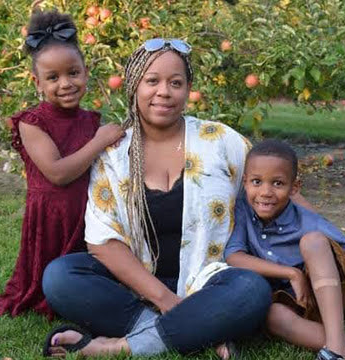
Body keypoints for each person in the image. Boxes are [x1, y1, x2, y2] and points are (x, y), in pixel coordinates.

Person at [40, 38, 316, 358]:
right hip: (136, 283)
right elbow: (103, 243)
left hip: (210, 279)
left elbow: (275, 191)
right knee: (60, 277)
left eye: (176, 83)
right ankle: (200, 328)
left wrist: (330, 241)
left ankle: (123, 346)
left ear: (188, 89)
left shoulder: (219, 141)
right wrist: (166, 301)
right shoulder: (114, 153)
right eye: (152, 81)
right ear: (134, 86)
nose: (164, 92)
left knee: (251, 289)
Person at [224, 139, 345, 360]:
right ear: (245, 183)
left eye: (277, 183)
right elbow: (234, 256)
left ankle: (335, 348)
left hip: (330, 294)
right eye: (257, 182)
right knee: (272, 315)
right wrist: (291, 273)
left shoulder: (309, 222)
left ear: (294, 187)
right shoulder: (242, 211)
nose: (266, 192)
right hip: (297, 302)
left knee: (313, 242)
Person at [0, 10, 125, 319]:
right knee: (50, 274)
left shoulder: (89, 120)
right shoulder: (31, 122)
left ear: (86, 72)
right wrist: (100, 141)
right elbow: (57, 173)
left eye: (73, 73)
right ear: (37, 82)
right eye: (53, 78)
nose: (65, 83)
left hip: (88, 211)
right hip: (52, 215)